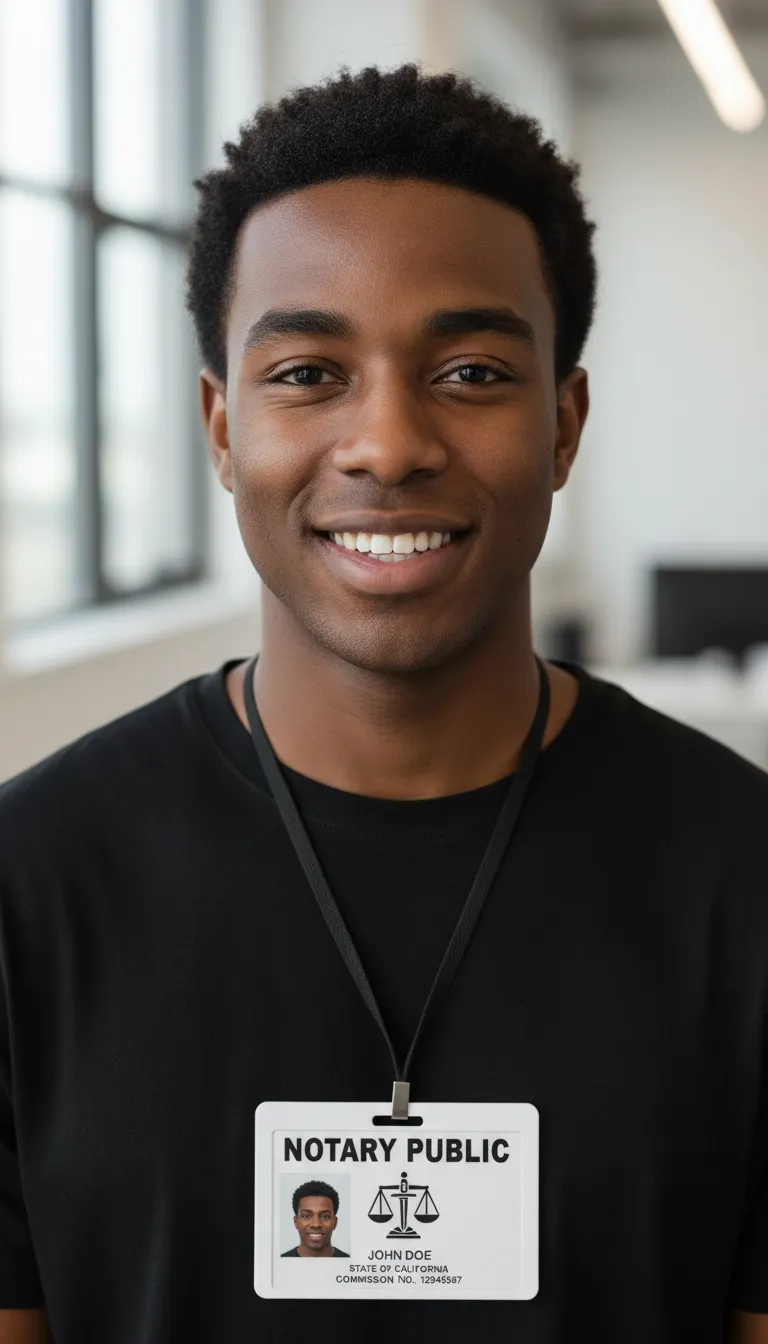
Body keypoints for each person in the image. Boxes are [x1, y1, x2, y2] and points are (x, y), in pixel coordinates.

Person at [0, 61, 765, 1344]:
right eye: (307, 374)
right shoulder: (30, 886)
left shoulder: (746, 879)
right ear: (221, 427)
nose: (390, 443)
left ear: (566, 424)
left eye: (471, 371)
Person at [281, 1181, 350, 1258]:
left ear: (335, 1223)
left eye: (325, 1216)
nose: (316, 1224)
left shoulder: (351, 1262)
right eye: (306, 1216)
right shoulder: (279, 1263)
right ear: (296, 1222)